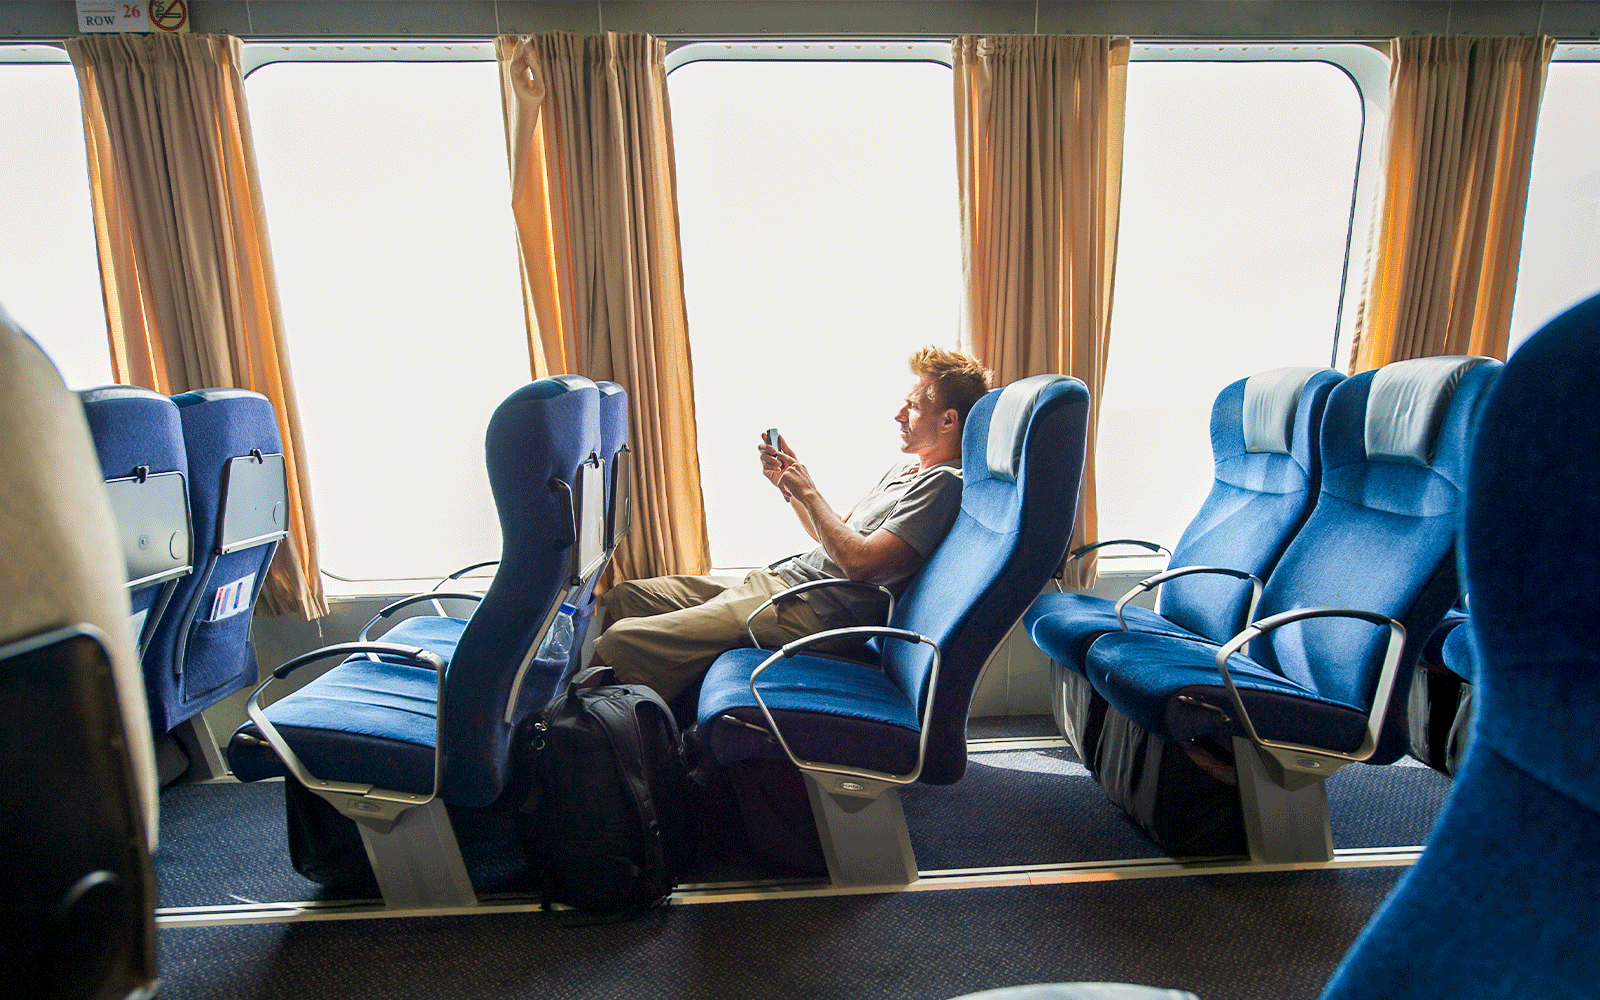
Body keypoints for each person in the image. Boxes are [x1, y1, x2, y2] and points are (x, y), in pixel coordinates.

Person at [591, 346, 993, 704]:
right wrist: (791, 488)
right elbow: (834, 535)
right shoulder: (905, 471)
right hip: (784, 583)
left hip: (809, 610)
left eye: (913, 406)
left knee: (622, 641)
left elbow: (860, 564)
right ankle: (639, 723)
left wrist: (811, 490)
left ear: (948, 421)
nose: (898, 415)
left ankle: (586, 737)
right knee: (628, 598)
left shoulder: (943, 484)